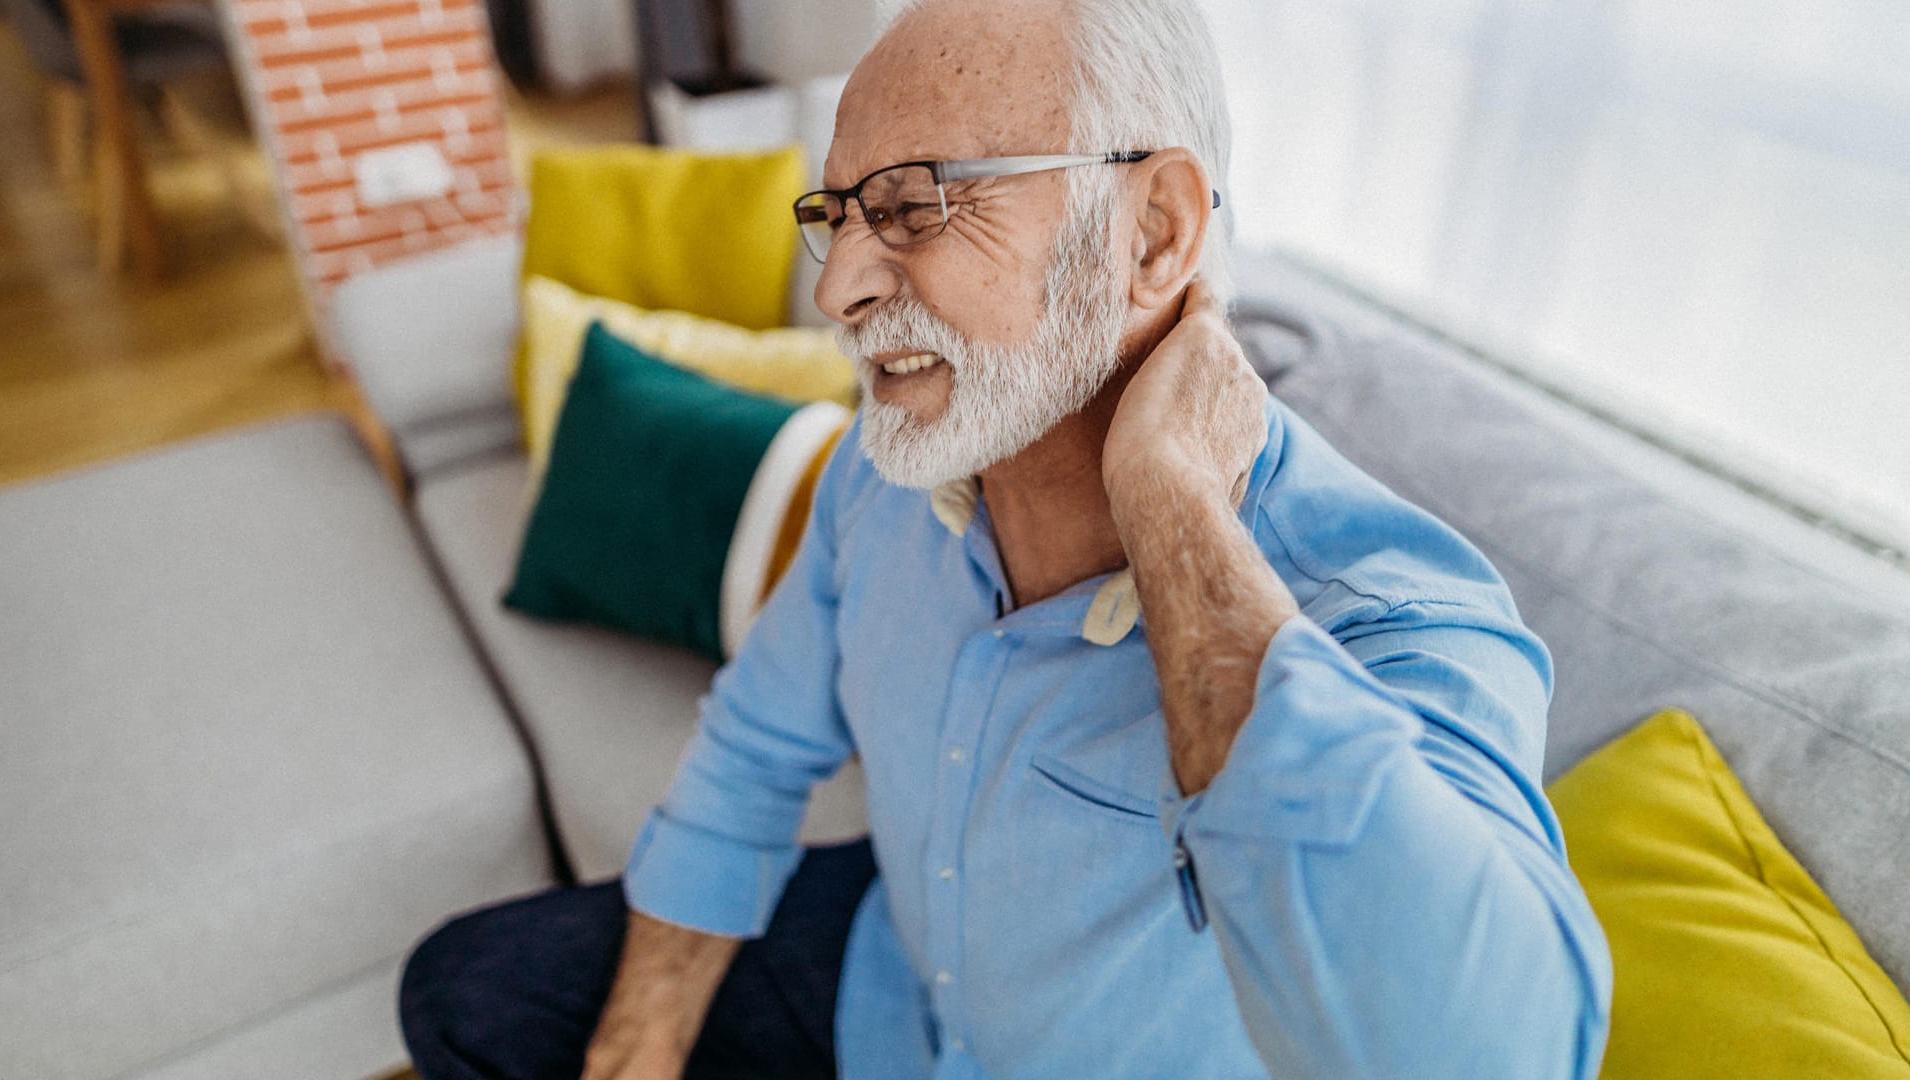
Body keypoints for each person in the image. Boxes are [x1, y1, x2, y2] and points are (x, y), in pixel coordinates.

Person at [397, 0, 1614, 1076]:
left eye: (918, 202)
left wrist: (1175, 507)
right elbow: (756, 748)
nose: (838, 291)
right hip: (890, 993)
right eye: (839, 214)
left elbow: (1497, 1053)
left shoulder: (1396, 612)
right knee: (466, 990)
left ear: (1151, 233)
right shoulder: (882, 477)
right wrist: (646, 1034)